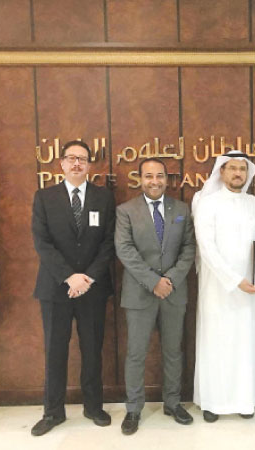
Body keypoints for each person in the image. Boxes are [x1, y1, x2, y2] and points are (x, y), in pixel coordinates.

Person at [31, 140, 115, 436]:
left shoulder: (104, 198)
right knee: (55, 351)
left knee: (93, 349)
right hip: (55, 289)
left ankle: (94, 407)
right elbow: (42, 243)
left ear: (90, 164)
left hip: (93, 288)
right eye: (71, 158)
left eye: (82, 158)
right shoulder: (44, 197)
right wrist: (70, 277)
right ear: (62, 164)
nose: (77, 163)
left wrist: (88, 278)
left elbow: (108, 243)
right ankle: (53, 412)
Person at [115, 158, 196, 435]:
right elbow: (125, 250)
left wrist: (169, 280)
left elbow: (188, 249)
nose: (155, 181)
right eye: (149, 176)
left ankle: (173, 403)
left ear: (167, 179)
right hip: (140, 293)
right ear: (140, 179)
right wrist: (153, 282)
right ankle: (133, 408)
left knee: (173, 352)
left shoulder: (182, 209)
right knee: (136, 353)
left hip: (174, 292)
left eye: (160, 176)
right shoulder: (126, 210)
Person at [192, 150, 255, 422]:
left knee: (245, 342)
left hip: (250, 287)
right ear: (221, 172)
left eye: (242, 169)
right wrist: (235, 280)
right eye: (233, 168)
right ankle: (213, 403)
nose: (238, 173)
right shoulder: (207, 203)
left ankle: (244, 401)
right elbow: (207, 248)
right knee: (216, 342)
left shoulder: (254, 203)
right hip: (217, 288)